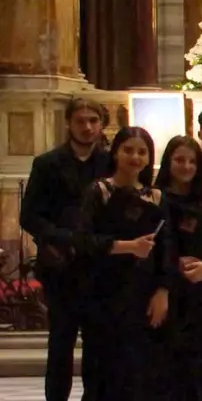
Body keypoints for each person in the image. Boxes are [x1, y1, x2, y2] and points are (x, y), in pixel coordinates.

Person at [19, 98, 110, 401]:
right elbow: (30, 216)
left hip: (99, 268)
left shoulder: (110, 163)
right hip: (62, 267)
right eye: (81, 120)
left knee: (98, 346)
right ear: (69, 123)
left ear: (101, 124)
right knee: (61, 344)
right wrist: (62, 238)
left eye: (93, 121)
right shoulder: (47, 164)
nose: (87, 127)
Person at [76, 127, 170, 401]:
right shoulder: (99, 191)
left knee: (140, 372)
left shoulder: (156, 197)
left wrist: (163, 290)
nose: (135, 157)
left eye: (142, 152)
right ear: (115, 152)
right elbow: (83, 241)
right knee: (103, 371)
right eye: (128, 150)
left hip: (142, 293)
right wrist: (128, 247)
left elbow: (166, 250)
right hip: (103, 292)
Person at [154, 136, 202, 400]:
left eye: (191, 161)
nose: (186, 166)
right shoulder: (155, 198)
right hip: (170, 293)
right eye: (179, 160)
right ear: (168, 162)